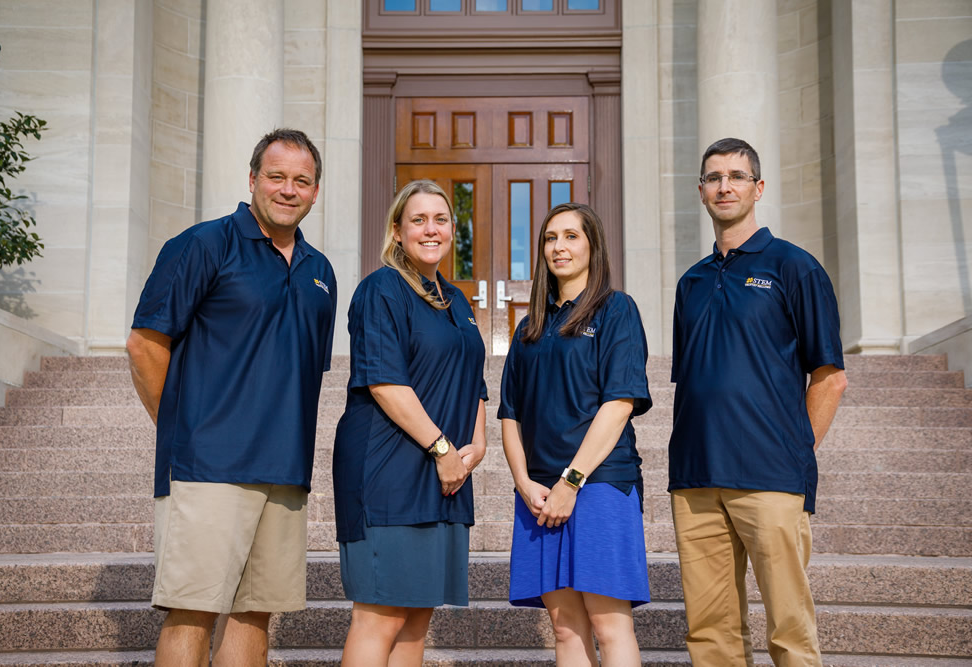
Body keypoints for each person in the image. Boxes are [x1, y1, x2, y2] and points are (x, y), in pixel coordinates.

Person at [126, 128, 336, 667]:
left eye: (301, 181)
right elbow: (146, 344)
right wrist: (183, 426)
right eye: (276, 177)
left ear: (315, 192)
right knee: (191, 611)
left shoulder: (321, 273)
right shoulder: (202, 245)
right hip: (208, 466)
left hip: (285, 470)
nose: (288, 189)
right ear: (252, 180)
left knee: (255, 614)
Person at [669, 137, 848, 666]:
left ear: (758, 187)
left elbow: (830, 377)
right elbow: (693, 380)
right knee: (709, 633)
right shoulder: (691, 282)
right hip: (696, 477)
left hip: (770, 474)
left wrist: (796, 450)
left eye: (736, 176)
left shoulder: (795, 268)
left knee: (789, 630)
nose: (724, 185)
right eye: (713, 177)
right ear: (701, 191)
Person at [333, 179, 487, 667]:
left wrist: (477, 444)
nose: (430, 229)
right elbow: (384, 383)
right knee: (380, 616)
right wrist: (443, 450)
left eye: (440, 219)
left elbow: (474, 380)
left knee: (417, 615)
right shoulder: (381, 290)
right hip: (390, 467)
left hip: (445, 471)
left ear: (452, 230)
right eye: (418, 220)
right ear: (397, 231)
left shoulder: (455, 300)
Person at [499, 202, 653, 667]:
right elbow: (510, 415)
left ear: (593, 246)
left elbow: (619, 403)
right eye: (550, 238)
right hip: (539, 496)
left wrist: (572, 481)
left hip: (600, 484)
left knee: (610, 624)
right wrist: (526, 484)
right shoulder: (530, 327)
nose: (559, 247)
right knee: (565, 630)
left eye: (571, 236)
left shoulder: (616, 310)